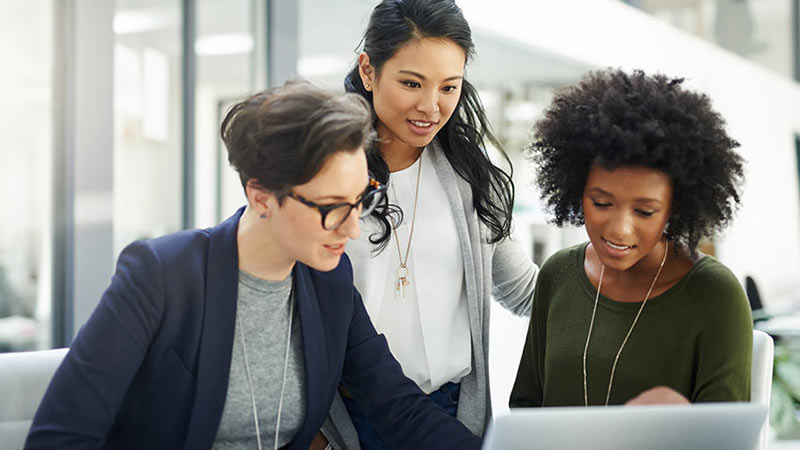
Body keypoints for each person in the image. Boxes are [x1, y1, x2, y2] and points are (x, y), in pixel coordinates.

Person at [24, 81, 481, 450]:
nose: (352, 229)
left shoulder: (329, 281)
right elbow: (61, 436)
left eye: (361, 200)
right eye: (331, 207)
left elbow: (396, 405)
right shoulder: (161, 275)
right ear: (261, 196)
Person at [323, 1, 538, 448]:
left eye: (449, 87)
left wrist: (618, 273)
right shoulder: (323, 171)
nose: (431, 106)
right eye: (411, 83)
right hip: (347, 421)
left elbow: (524, 291)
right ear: (368, 71)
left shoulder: (471, 178)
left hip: (449, 414)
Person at [509, 69, 752, 408]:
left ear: (675, 208)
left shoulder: (714, 295)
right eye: (602, 203)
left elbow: (726, 439)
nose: (620, 229)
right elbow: (526, 409)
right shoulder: (557, 275)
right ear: (577, 190)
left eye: (645, 211)